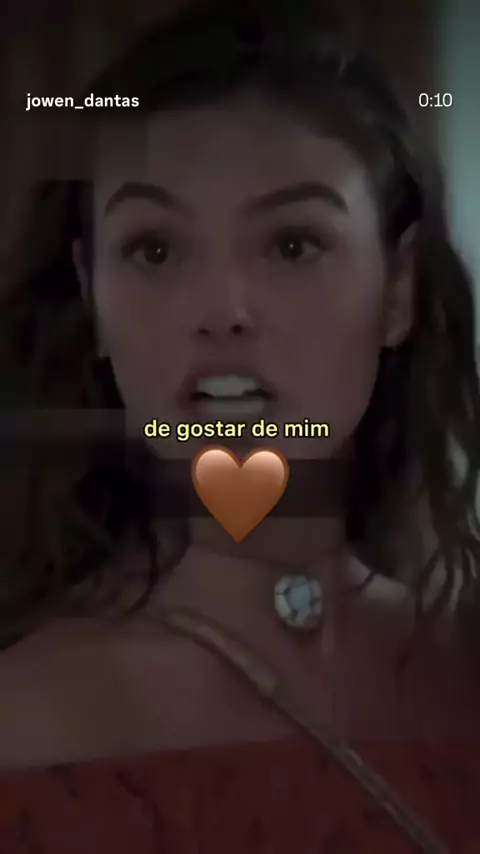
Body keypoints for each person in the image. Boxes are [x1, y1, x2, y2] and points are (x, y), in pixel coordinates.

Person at [1, 1, 480, 851]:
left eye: (292, 245)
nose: (222, 310)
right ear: (92, 296)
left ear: (397, 289)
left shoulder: (462, 659)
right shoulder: (26, 719)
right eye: (155, 249)